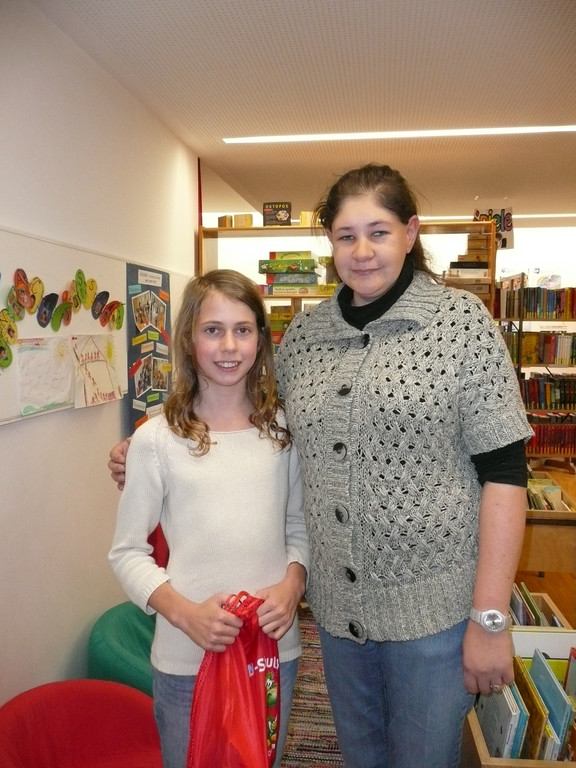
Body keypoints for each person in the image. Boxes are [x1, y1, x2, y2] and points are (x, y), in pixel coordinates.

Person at [110, 164, 533, 768]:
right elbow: (246, 414)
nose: (362, 251)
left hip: (435, 616)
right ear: (329, 242)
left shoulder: (462, 326)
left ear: (411, 232)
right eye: (345, 236)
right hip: (338, 621)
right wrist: (147, 444)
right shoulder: (306, 337)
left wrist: (489, 619)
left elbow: (506, 475)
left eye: (379, 232)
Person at [108, 269, 308, 768]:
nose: (229, 346)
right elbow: (127, 552)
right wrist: (185, 614)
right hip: (185, 657)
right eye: (213, 330)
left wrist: (292, 586)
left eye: (243, 330)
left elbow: (299, 528)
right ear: (188, 339)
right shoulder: (156, 440)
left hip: (271, 650)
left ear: (261, 340)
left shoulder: (283, 432)